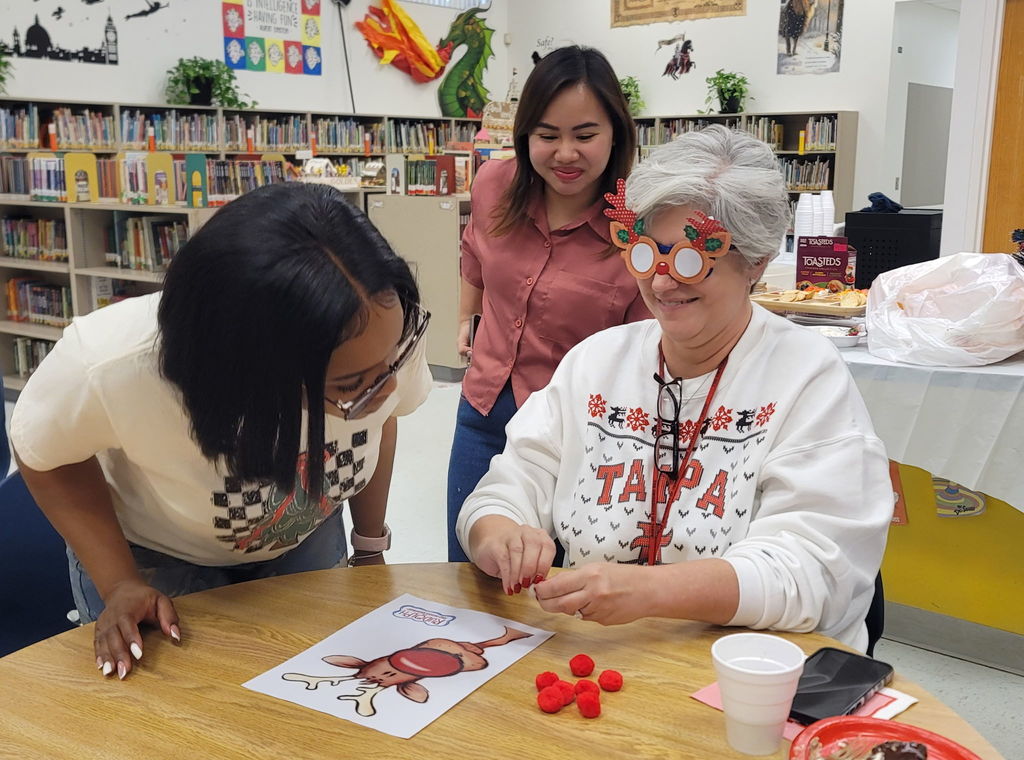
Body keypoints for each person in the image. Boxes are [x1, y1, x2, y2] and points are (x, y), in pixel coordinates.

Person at [456, 126, 892, 651]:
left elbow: (815, 574)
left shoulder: (807, 378)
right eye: (645, 255)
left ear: (755, 262)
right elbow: (513, 481)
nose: (661, 283)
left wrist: (651, 591)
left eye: (690, 260)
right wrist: (497, 530)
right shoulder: (595, 362)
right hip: (603, 659)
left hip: (749, 675)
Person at [11, 183, 432, 679]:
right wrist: (119, 582)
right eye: (351, 385)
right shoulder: (110, 367)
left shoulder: (377, 332)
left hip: (306, 536)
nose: (385, 390)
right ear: (252, 369)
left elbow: (380, 428)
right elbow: (43, 453)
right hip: (160, 561)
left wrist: (368, 546)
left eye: (391, 364)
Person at [448, 45, 651, 562]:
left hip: (576, 434)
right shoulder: (495, 184)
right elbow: (474, 254)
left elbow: (646, 350)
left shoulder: (639, 224)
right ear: (525, 136)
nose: (565, 153)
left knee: (555, 586)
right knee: (469, 570)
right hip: (485, 408)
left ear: (615, 134)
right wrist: (464, 318)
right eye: (547, 135)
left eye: (585, 135)